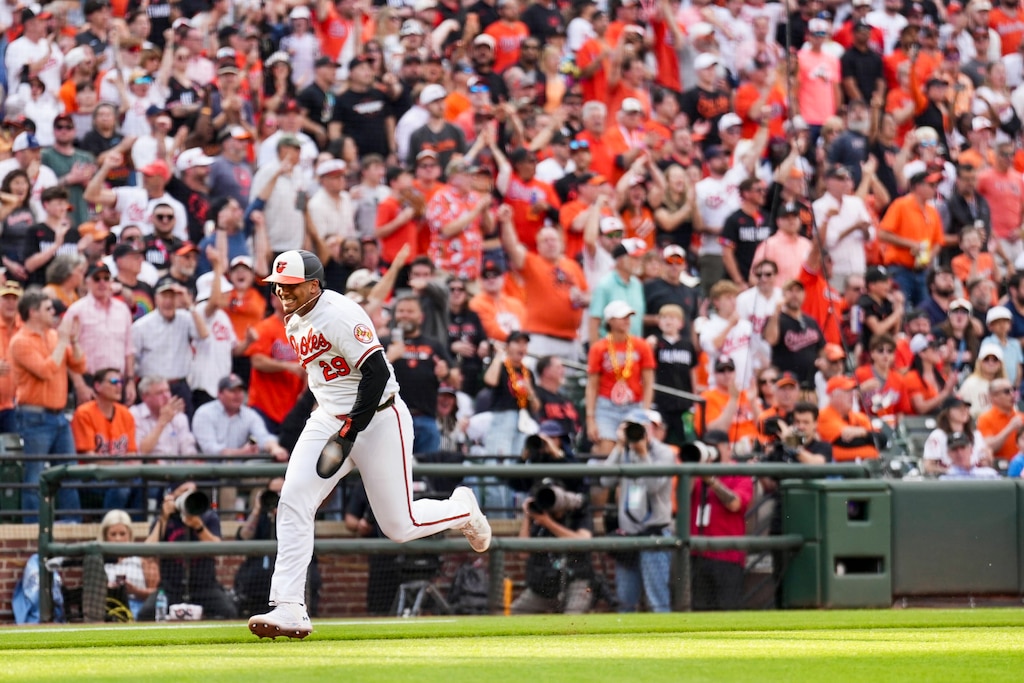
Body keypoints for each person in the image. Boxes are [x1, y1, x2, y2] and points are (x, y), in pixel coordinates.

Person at [248, 250, 491, 639]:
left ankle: (462, 510)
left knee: (399, 525)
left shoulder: (340, 314)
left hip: (379, 417)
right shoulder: (293, 317)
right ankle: (289, 607)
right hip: (328, 415)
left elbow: (375, 374)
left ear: (313, 285)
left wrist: (349, 431)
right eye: (277, 285)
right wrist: (333, 424)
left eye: (290, 286)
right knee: (293, 499)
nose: (281, 292)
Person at [10, 290, 86, 522]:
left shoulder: (54, 336)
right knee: (35, 476)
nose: (54, 312)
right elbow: (45, 371)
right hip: (35, 417)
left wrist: (72, 340)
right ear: (33, 312)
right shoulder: (20, 341)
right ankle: (32, 529)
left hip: (59, 416)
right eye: (48, 309)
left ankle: (72, 523)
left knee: (68, 472)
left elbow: (80, 365)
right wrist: (63, 341)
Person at [599, 409, 674, 613]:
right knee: (625, 601)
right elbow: (605, 480)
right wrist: (619, 447)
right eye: (630, 427)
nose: (635, 433)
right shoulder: (623, 452)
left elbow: (653, 486)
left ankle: (667, 643)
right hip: (628, 535)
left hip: (654, 533)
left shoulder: (664, 453)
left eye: (639, 428)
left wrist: (642, 455)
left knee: (657, 600)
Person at [138, 482, 238, 621]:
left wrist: (198, 526)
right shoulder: (164, 519)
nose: (189, 494)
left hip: (205, 586)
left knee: (229, 612)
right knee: (145, 614)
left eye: (193, 491)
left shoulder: (207, 516)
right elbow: (147, 552)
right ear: (172, 496)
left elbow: (218, 549)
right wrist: (163, 518)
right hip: (170, 587)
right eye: (184, 491)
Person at [689, 429, 754, 611]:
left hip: (727, 556)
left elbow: (735, 504)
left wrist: (712, 481)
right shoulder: (697, 472)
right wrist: (695, 469)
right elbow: (681, 497)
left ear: (726, 449)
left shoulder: (738, 472)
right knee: (699, 612)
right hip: (697, 554)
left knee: (727, 611)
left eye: (715, 448)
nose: (712, 452)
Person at [70, 368, 140, 513]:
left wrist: (122, 467)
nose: (119, 386)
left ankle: (139, 530)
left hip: (120, 475)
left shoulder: (125, 414)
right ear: (97, 386)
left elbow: (132, 455)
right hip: (92, 477)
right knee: (122, 488)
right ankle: (110, 529)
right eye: (114, 382)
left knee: (149, 485)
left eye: (121, 382)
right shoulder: (84, 413)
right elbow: (89, 458)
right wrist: (120, 464)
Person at [816, 375, 881, 461]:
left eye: (852, 391)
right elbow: (849, 442)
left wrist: (863, 432)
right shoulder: (823, 416)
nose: (851, 395)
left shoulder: (858, 416)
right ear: (833, 395)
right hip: (836, 469)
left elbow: (881, 439)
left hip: (862, 467)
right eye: (847, 391)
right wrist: (870, 441)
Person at [922, 396, 988, 477]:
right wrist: (953, 472)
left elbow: (984, 462)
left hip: (975, 479)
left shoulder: (976, 435)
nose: (964, 411)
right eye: (958, 408)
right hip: (948, 482)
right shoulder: (937, 436)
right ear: (947, 412)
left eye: (966, 407)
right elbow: (928, 466)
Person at [977, 376, 1024, 462]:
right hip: (1000, 466)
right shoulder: (985, 418)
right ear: (993, 396)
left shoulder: (1021, 416)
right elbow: (989, 446)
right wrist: (1010, 428)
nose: (1012, 394)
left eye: (1013, 390)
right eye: (1007, 391)